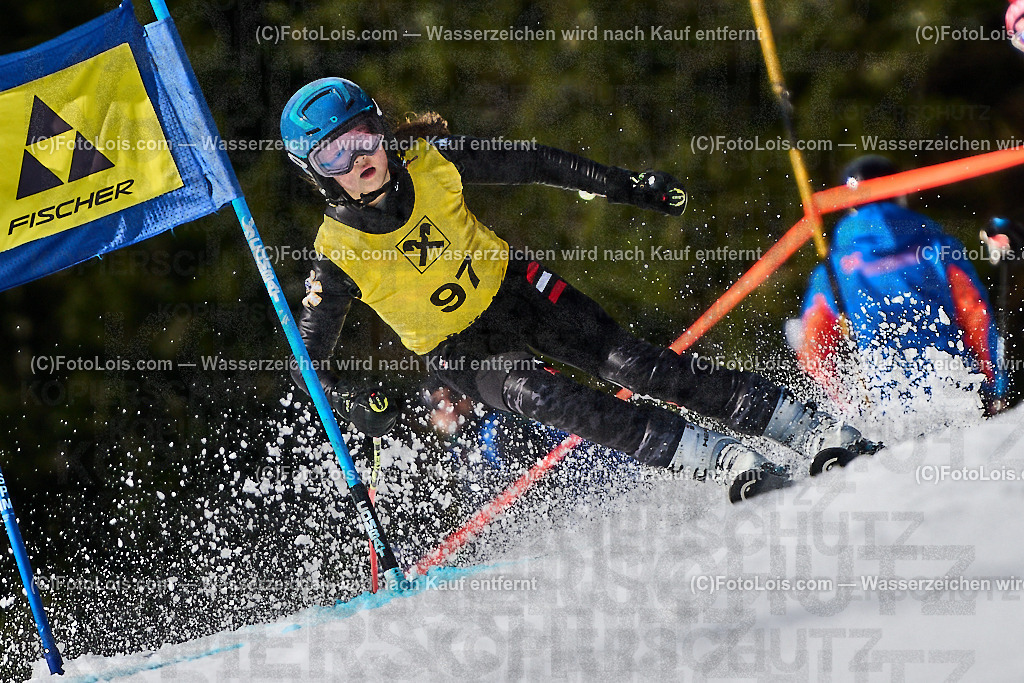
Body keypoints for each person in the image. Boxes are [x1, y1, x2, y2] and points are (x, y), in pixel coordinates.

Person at [280, 77, 877, 502]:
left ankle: (804, 426)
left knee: (633, 365)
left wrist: (624, 186)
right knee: (543, 399)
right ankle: (716, 458)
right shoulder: (336, 254)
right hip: (462, 350)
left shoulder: (432, 161)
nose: (357, 157)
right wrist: (352, 401)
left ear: (380, 129)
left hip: (517, 290)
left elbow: (536, 161)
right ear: (315, 172)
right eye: (335, 152)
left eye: (361, 136)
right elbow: (310, 358)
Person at [797, 155, 1008, 415]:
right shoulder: (939, 247)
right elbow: (976, 314)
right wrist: (993, 385)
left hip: (886, 410)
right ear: (900, 191)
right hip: (956, 391)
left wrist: (845, 407)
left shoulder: (832, 270)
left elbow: (814, 351)